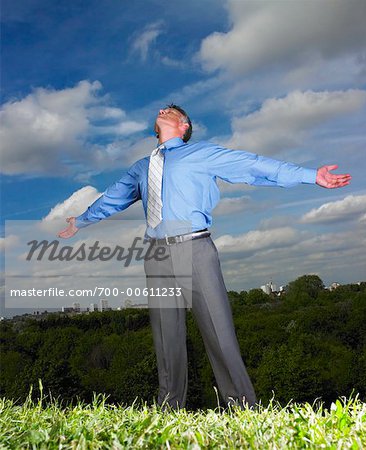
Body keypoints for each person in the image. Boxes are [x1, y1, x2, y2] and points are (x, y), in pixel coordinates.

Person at [58, 104, 351, 410]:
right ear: (154, 129)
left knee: (219, 333)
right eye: (162, 110)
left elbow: (252, 165)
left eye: (172, 111)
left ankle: (243, 408)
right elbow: (113, 198)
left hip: (194, 248)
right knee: (165, 337)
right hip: (156, 254)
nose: (163, 109)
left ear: (184, 126)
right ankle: (169, 409)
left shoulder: (201, 154)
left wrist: (309, 175)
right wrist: (80, 220)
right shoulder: (141, 167)